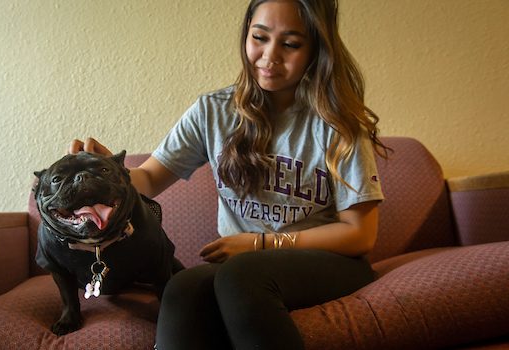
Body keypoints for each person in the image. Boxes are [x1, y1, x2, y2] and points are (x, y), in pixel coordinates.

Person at [69, 0, 389, 348]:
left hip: (329, 263)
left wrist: (260, 243)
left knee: (242, 274)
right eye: (259, 37)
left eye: (291, 44)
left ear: (317, 48)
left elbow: (360, 234)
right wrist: (108, 175)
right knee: (183, 286)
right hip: (245, 268)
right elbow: (148, 179)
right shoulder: (213, 111)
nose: (269, 56)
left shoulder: (337, 124)